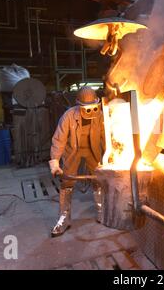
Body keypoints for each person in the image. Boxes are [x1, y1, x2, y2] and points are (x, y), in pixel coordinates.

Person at [49, 86, 105, 237]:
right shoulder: (68, 116)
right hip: (72, 151)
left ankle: (102, 212)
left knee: (99, 179)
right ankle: (64, 219)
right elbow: (59, 139)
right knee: (67, 181)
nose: (90, 112)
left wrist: (111, 156)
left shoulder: (99, 115)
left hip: (92, 151)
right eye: (86, 108)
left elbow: (105, 137)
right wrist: (55, 162)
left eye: (93, 108)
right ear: (78, 104)